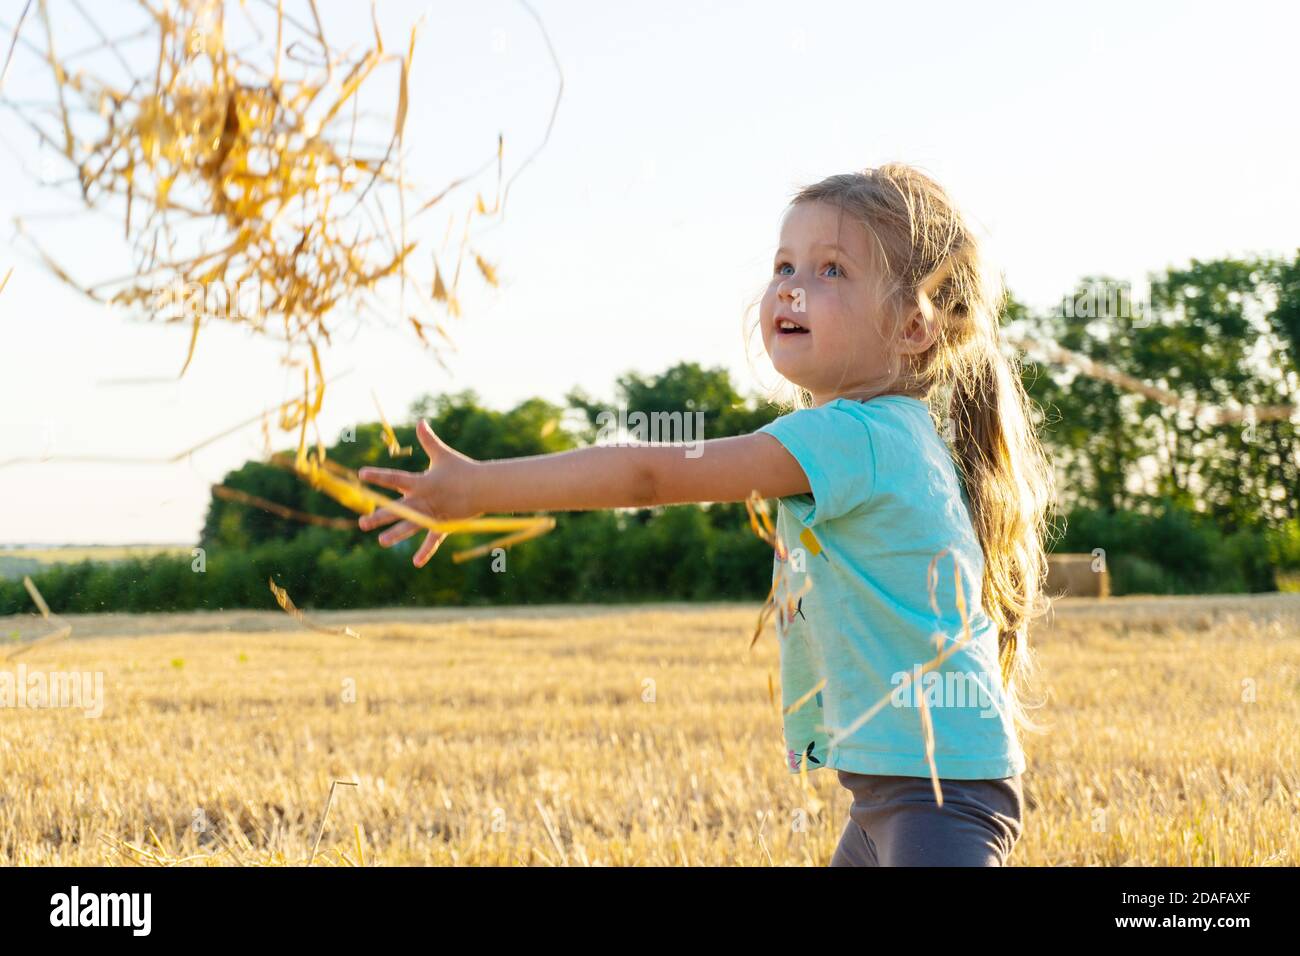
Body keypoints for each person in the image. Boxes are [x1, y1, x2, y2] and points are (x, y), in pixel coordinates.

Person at [356, 162, 1056, 866]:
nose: (790, 285)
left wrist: (480, 490)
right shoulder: (885, 434)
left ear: (913, 327)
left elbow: (647, 475)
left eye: (831, 270)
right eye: (785, 263)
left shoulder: (854, 436)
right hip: (899, 792)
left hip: (936, 796)